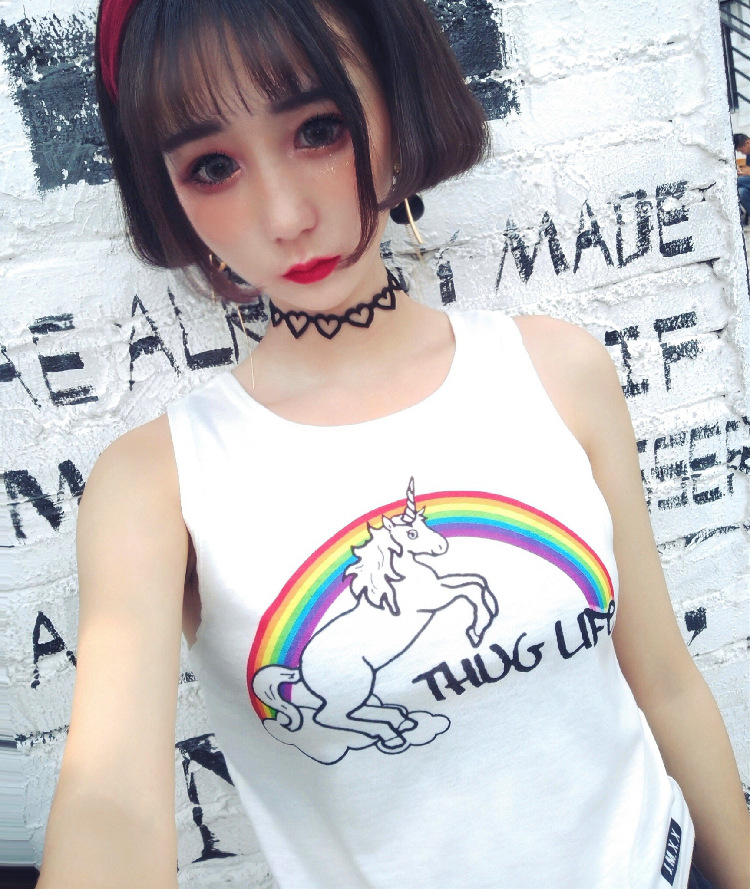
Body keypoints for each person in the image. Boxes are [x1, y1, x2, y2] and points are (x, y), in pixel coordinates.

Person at [37, 1, 749, 888]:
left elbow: (665, 681)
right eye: (213, 166)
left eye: (319, 129)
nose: (286, 214)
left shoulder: (558, 372)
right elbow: (112, 800)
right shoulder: (158, 484)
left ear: (393, 97)